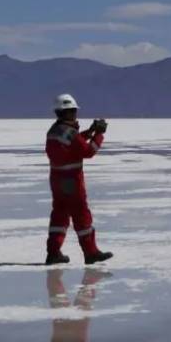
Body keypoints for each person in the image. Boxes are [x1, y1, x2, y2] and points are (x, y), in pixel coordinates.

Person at [45, 93, 113, 265]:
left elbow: (72, 143)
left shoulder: (54, 131)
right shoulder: (70, 133)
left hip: (57, 181)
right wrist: (99, 134)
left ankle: (53, 253)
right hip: (72, 182)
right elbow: (88, 151)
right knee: (82, 216)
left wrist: (89, 132)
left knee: (59, 216)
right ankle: (90, 253)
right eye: (73, 111)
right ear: (66, 113)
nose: (75, 114)